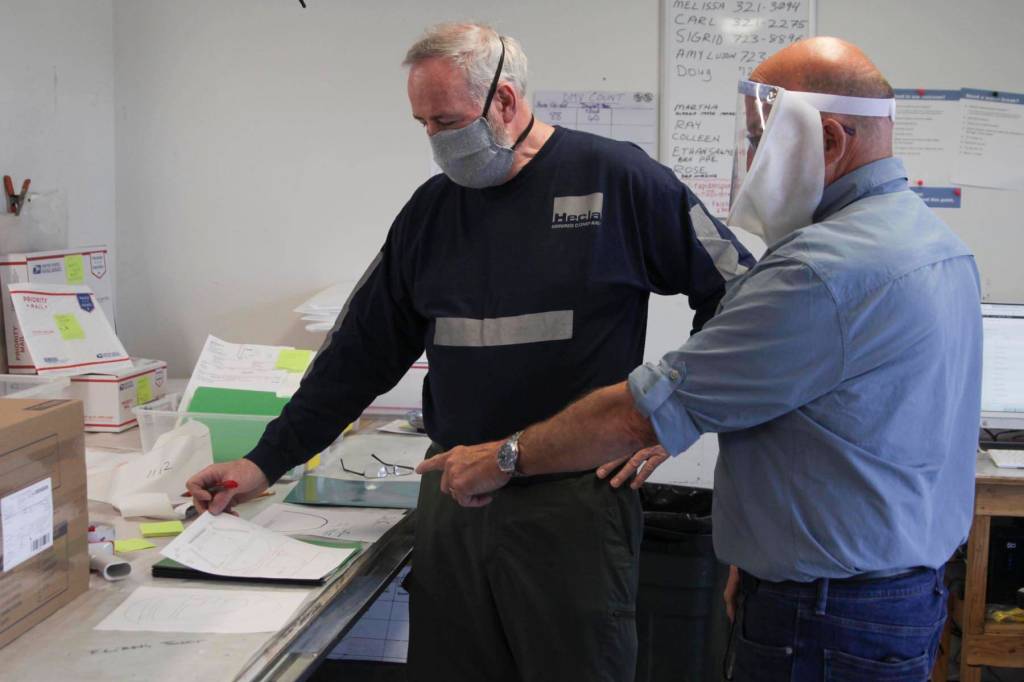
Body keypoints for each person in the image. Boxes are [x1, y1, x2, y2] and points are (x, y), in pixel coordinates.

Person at [185, 22, 752, 682]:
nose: (435, 139)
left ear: (504, 101)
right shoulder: (430, 214)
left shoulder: (617, 180)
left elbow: (743, 298)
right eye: (422, 124)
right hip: (454, 494)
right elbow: (356, 357)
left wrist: (670, 416)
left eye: (447, 121)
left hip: (571, 505)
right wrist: (263, 461)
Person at [421, 36, 982, 681]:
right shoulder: (936, 245)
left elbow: (641, 413)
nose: (751, 159)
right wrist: (764, 553)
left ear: (829, 140)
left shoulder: (821, 270)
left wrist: (504, 457)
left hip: (825, 618)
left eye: (758, 139)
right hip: (894, 596)